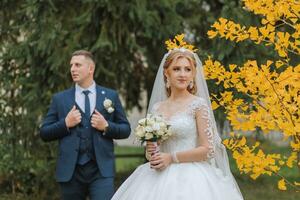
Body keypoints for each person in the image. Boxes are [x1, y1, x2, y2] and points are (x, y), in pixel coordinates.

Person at [111, 35, 244, 200]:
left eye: (188, 69)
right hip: (157, 178)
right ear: (166, 73)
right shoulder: (157, 107)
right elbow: (151, 153)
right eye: (177, 69)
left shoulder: (198, 105)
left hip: (193, 178)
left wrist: (172, 158)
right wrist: (152, 151)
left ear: (193, 75)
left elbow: (208, 149)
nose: (183, 74)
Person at [40, 50, 131, 200]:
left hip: (101, 171)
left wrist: (106, 126)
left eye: (77, 65)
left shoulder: (110, 96)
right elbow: (44, 132)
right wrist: (65, 124)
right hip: (71, 172)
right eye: (71, 65)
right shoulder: (60, 99)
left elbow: (125, 129)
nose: (73, 69)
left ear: (91, 69)